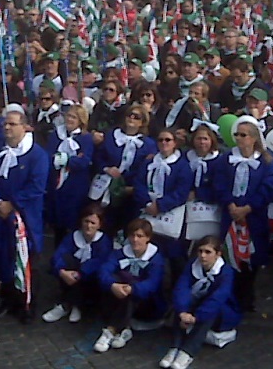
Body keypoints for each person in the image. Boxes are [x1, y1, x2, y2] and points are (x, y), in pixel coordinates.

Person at [0, 109, 50, 324]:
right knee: (3, 258)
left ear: (25, 127)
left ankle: (28, 304)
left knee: (27, 259)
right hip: (0, 216)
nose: (7, 128)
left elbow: (36, 187)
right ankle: (7, 300)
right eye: (5, 124)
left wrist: (12, 204)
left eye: (12, 124)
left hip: (25, 218)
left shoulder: (37, 155)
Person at [212, 116, 273, 313]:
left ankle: (247, 295)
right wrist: (230, 205)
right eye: (237, 134)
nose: (239, 138)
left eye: (243, 135)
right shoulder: (226, 158)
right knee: (229, 254)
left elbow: (267, 188)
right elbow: (219, 183)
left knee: (251, 256)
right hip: (230, 215)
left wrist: (248, 208)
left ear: (254, 138)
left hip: (253, 217)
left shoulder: (265, 161)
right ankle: (229, 295)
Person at [161, 236, 242, 369]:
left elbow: (218, 298)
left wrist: (196, 317)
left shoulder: (226, 272)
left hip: (221, 311)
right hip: (196, 304)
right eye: (200, 251)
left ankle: (188, 352)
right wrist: (183, 312)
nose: (203, 256)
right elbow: (182, 287)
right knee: (181, 302)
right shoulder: (192, 265)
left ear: (218, 254)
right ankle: (175, 347)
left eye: (208, 252)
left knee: (210, 312)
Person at [94, 218, 165, 353]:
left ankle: (111, 330)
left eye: (140, 236)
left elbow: (152, 284)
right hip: (124, 299)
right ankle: (124, 329)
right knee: (114, 281)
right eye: (132, 235)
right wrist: (113, 285)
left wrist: (132, 288)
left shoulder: (156, 259)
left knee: (131, 289)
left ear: (148, 238)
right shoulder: (120, 253)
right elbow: (104, 270)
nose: (135, 239)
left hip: (147, 304)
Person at [134, 128, 193, 278]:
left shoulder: (182, 165)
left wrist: (160, 205)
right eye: (160, 140)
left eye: (167, 140)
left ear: (175, 143)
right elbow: (138, 183)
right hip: (148, 213)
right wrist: (148, 203)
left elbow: (181, 191)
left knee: (175, 258)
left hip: (170, 215)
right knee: (150, 254)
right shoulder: (149, 161)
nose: (164, 143)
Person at [91, 104, 158, 234]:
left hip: (131, 190)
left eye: (136, 117)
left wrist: (132, 187)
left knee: (127, 224)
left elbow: (147, 170)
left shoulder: (149, 145)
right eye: (130, 115)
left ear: (142, 122)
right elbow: (98, 156)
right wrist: (107, 169)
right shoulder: (111, 135)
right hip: (107, 186)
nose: (132, 119)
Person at [42, 204, 112, 324]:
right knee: (66, 261)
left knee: (84, 272)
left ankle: (68, 304)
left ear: (99, 225)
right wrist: (62, 271)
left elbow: (99, 262)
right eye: (86, 221)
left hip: (91, 280)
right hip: (71, 275)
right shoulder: (72, 237)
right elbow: (59, 254)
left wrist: (80, 273)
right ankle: (72, 305)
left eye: (93, 223)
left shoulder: (104, 241)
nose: (88, 226)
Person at [46, 104, 94, 246]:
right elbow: (49, 155)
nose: (69, 119)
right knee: (57, 222)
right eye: (68, 116)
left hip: (76, 185)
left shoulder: (85, 138)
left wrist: (67, 160)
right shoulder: (56, 134)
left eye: (73, 117)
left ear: (81, 120)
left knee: (74, 221)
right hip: (56, 183)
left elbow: (85, 160)